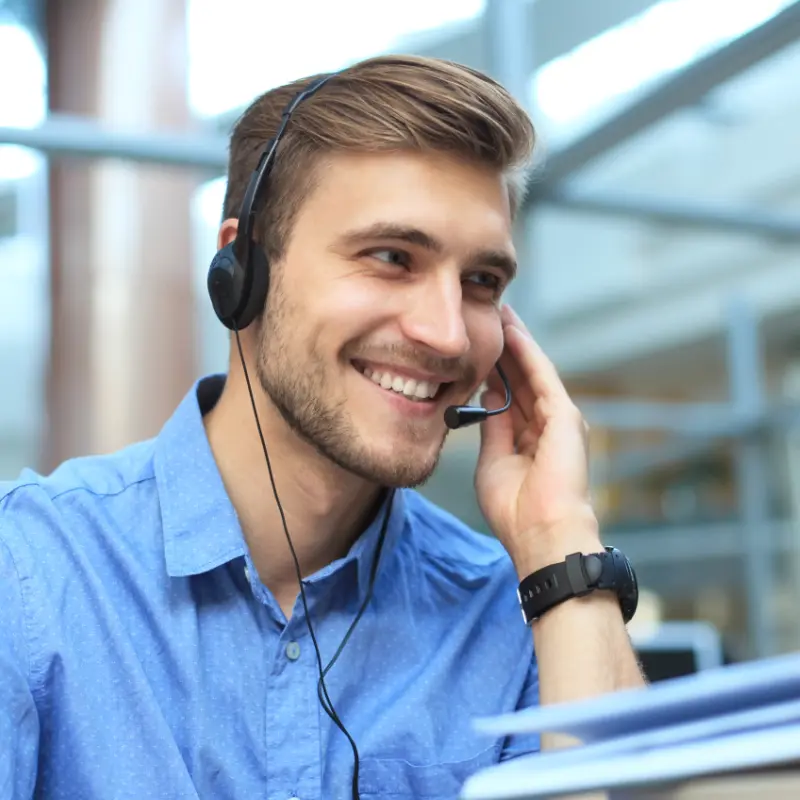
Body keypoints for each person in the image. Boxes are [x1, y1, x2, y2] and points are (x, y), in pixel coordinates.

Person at [0, 54, 645, 799]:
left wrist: (562, 538)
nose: (446, 335)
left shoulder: (523, 615)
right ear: (241, 271)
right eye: (391, 257)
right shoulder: (32, 574)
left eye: (481, 282)